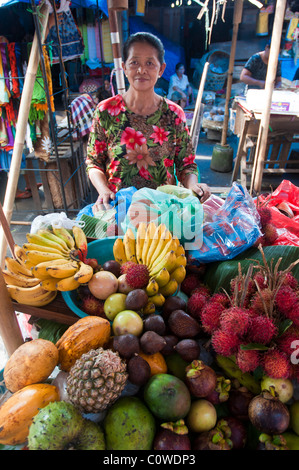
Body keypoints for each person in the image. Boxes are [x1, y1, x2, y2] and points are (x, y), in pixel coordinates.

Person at [86, 32, 210, 214]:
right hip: (118, 211)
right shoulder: (106, 111)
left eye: (150, 63)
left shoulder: (174, 114)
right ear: (124, 68)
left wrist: (194, 186)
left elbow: (186, 164)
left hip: (164, 212)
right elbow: (94, 162)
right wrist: (104, 190)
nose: (141, 70)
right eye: (134, 62)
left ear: (161, 69)